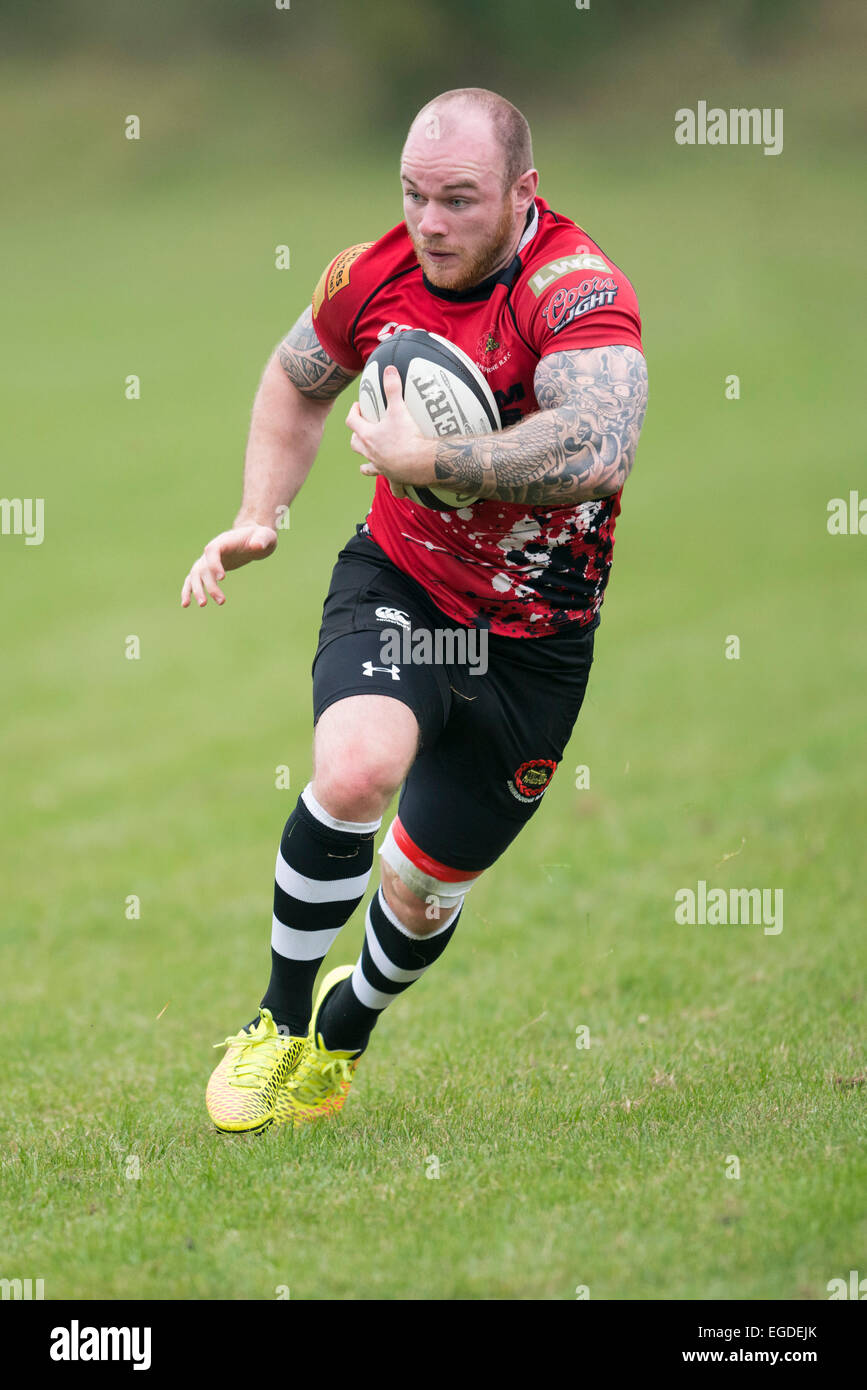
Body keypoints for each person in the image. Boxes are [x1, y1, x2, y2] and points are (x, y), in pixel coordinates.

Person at [181, 87, 648, 1132]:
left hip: (538, 642)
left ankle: (344, 1033)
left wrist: (434, 459)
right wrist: (259, 514)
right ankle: (274, 1021)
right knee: (354, 771)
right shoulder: (374, 271)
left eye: (459, 200)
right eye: (413, 195)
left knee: (424, 890)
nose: (429, 224)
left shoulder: (576, 290)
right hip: (404, 582)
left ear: (525, 194)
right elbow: (297, 379)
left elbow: (599, 442)